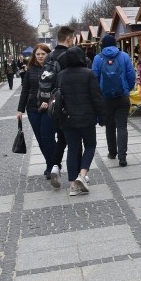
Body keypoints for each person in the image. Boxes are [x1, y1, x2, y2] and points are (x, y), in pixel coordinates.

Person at [58, 46, 107, 196]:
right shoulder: (88, 74)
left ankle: (73, 185)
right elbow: (96, 97)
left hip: (67, 119)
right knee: (90, 145)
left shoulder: (61, 75)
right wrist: (102, 116)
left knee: (73, 149)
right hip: (86, 117)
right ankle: (82, 174)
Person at [39, 25, 76, 189]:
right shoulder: (70, 56)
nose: (73, 41)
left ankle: (54, 166)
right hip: (69, 104)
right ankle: (77, 175)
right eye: (73, 39)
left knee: (60, 139)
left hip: (53, 104)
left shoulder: (50, 57)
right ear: (68, 39)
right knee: (74, 141)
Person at [92, 34, 136, 167]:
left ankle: (112, 152)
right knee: (122, 126)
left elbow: (94, 77)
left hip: (105, 98)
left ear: (103, 45)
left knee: (109, 125)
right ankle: (123, 157)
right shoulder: (124, 56)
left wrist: (98, 94)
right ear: (115, 44)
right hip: (122, 96)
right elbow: (131, 74)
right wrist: (127, 88)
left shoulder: (98, 58)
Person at [16, 43, 55, 180]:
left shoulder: (53, 68)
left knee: (47, 137)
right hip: (33, 108)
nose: (40, 56)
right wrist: (20, 109)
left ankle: (52, 166)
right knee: (40, 139)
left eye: (43, 54)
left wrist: (50, 101)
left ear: (48, 54)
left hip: (49, 108)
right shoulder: (30, 70)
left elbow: (57, 89)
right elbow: (25, 90)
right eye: (37, 54)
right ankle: (51, 162)